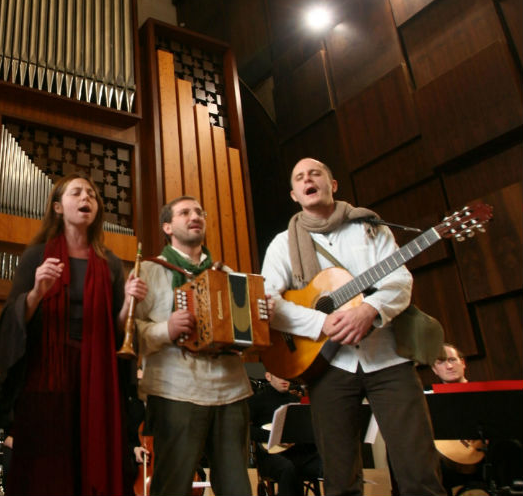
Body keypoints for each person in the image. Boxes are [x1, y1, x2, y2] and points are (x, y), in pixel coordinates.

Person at [261, 157, 444, 495]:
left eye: (316, 173)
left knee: (418, 469)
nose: (308, 179)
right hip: (328, 365)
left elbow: (400, 280)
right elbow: (270, 304)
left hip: (389, 356)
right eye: (300, 177)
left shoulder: (370, 228)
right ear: (294, 195)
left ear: (333, 185)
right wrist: (321, 321)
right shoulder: (281, 245)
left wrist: (370, 310)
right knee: (339, 477)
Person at [0, 172, 146, 495]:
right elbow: (11, 317)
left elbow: (118, 327)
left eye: (91, 194)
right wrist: (37, 292)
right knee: (48, 461)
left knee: (92, 455)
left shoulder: (109, 264)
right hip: (47, 373)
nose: (86, 198)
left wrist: (129, 302)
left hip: (96, 373)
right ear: (58, 207)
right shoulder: (36, 255)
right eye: (76, 193)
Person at [133, 195, 253, 496]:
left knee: (237, 487)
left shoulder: (226, 275)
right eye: (184, 212)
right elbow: (132, 332)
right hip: (176, 389)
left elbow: (246, 332)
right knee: (172, 486)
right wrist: (167, 329)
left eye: (199, 211)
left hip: (230, 389)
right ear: (167, 226)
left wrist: (259, 320)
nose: (194, 216)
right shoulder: (148, 271)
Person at [249, 371, 322, 496]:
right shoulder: (256, 401)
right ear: (268, 376)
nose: (284, 378)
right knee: (288, 468)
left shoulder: (296, 401)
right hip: (270, 455)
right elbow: (247, 430)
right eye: (279, 374)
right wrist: (274, 436)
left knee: (331, 464)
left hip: (298, 453)